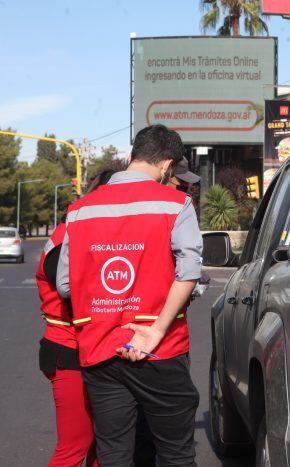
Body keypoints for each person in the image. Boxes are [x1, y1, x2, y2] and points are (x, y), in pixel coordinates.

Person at [56, 124, 203, 466]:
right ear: (168, 166)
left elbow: (66, 285)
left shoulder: (79, 210)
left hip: (100, 352)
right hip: (160, 351)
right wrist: (154, 329)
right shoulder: (176, 204)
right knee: (176, 454)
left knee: (115, 454)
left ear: (131, 156)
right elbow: (189, 271)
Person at [37, 222, 98, 467]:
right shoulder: (67, 236)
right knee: (75, 446)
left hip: (90, 347)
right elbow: (69, 291)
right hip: (69, 348)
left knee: (104, 444)